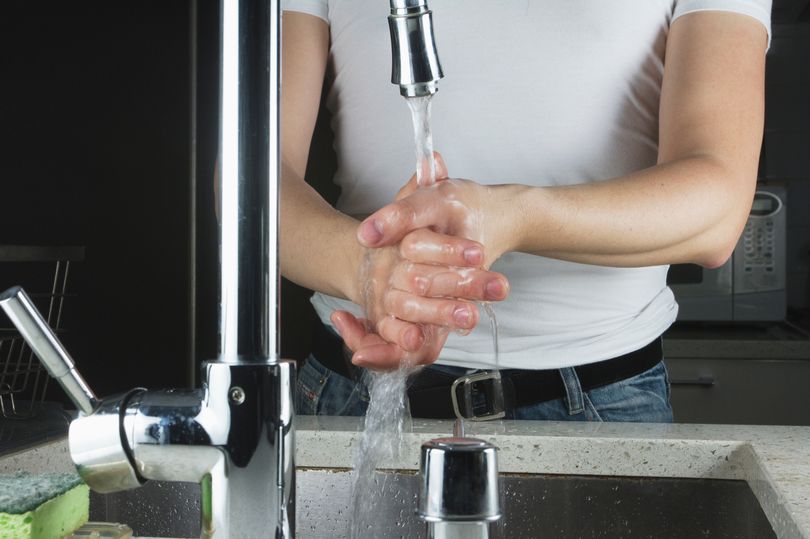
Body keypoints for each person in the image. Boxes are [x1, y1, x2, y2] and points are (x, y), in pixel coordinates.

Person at [279, 0, 771, 422]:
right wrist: (367, 270)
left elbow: (718, 205)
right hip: (357, 387)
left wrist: (512, 217)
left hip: (602, 400)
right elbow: (251, 174)